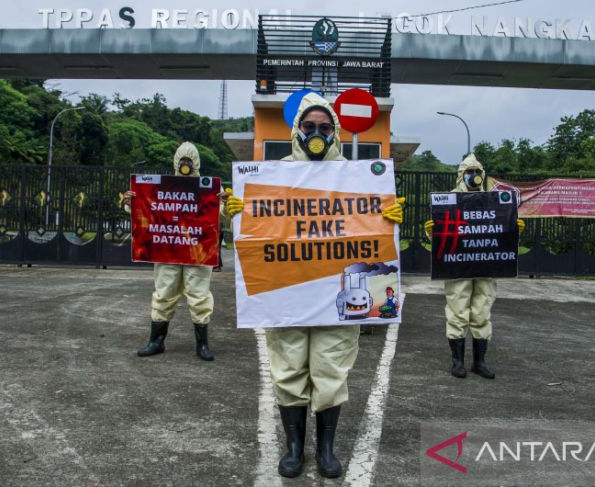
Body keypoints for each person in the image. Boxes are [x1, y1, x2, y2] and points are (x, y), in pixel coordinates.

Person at [225, 93, 403, 478]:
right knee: (288, 368)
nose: (317, 133)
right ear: (297, 131)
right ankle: (294, 447)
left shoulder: (355, 177)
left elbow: (371, 241)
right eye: (310, 127)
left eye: (325, 127)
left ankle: (325, 449)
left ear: (335, 131)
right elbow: (257, 240)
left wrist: (389, 220)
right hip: (287, 294)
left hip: (334, 299)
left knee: (330, 370)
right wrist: (239, 214)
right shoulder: (275, 173)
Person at [424, 153, 525, 379]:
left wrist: (514, 230)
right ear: (461, 175)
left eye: (477, 172)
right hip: (457, 267)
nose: (474, 176)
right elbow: (443, 240)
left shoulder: (493, 201)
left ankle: (479, 362)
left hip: (486, 267)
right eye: (470, 172)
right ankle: (457, 362)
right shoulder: (449, 200)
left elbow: (500, 237)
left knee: (482, 312)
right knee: (458, 311)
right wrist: (432, 232)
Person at [124, 141, 220, 362]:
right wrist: (131, 202)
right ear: (177, 162)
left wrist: (224, 203)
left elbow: (222, 214)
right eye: (183, 160)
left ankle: (202, 344)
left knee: (199, 296)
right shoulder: (161, 187)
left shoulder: (210, 188)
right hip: (168, 251)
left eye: (190, 160)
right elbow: (147, 208)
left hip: (198, 251)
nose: (186, 164)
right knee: (164, 293)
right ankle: (156, 341)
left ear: (195, 162)